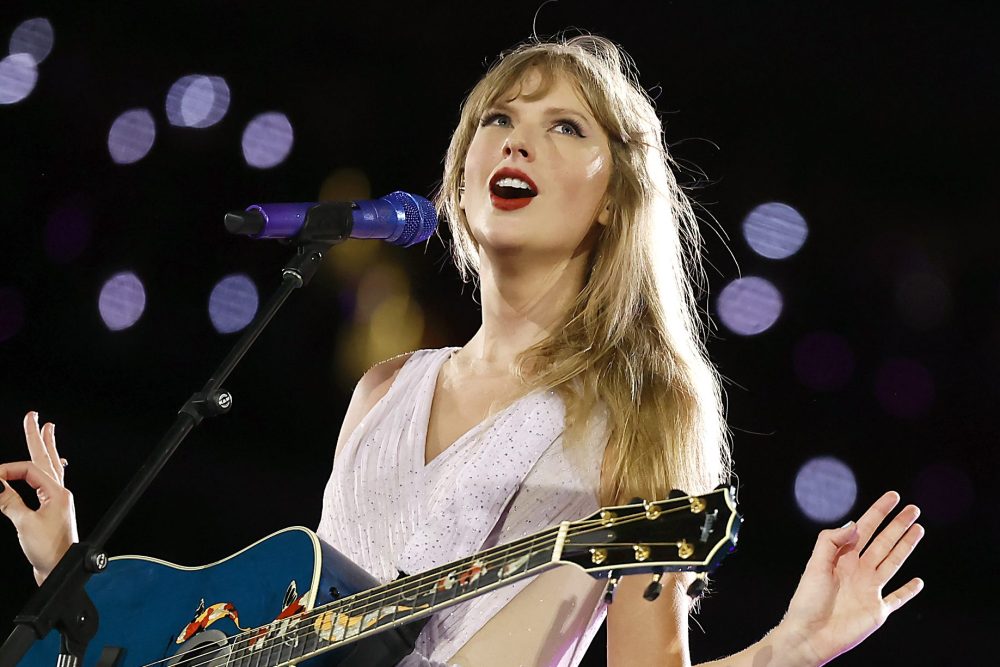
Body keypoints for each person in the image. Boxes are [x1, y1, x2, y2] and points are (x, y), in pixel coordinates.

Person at [0, 34, 923, 667]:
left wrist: (789, 648)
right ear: (461, 168)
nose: (518, 138)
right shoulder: (384, 387)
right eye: (498, 118)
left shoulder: (641, 411)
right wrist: (75, 581)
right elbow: (282, 635)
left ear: (614, 200)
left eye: (566, 125)